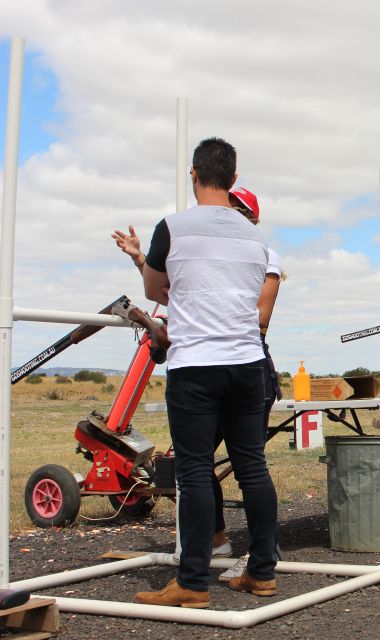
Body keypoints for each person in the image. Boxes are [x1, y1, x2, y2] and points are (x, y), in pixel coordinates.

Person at [133, 138, 278, 608]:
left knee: (194, 471)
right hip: (248, 363)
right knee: (252, 467)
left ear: (193, 174)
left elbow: (156, 288)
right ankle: (261, 573)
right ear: (234, 180)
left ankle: (192, 583)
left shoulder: (172, 227)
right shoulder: (258, 238)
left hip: (196, 363)